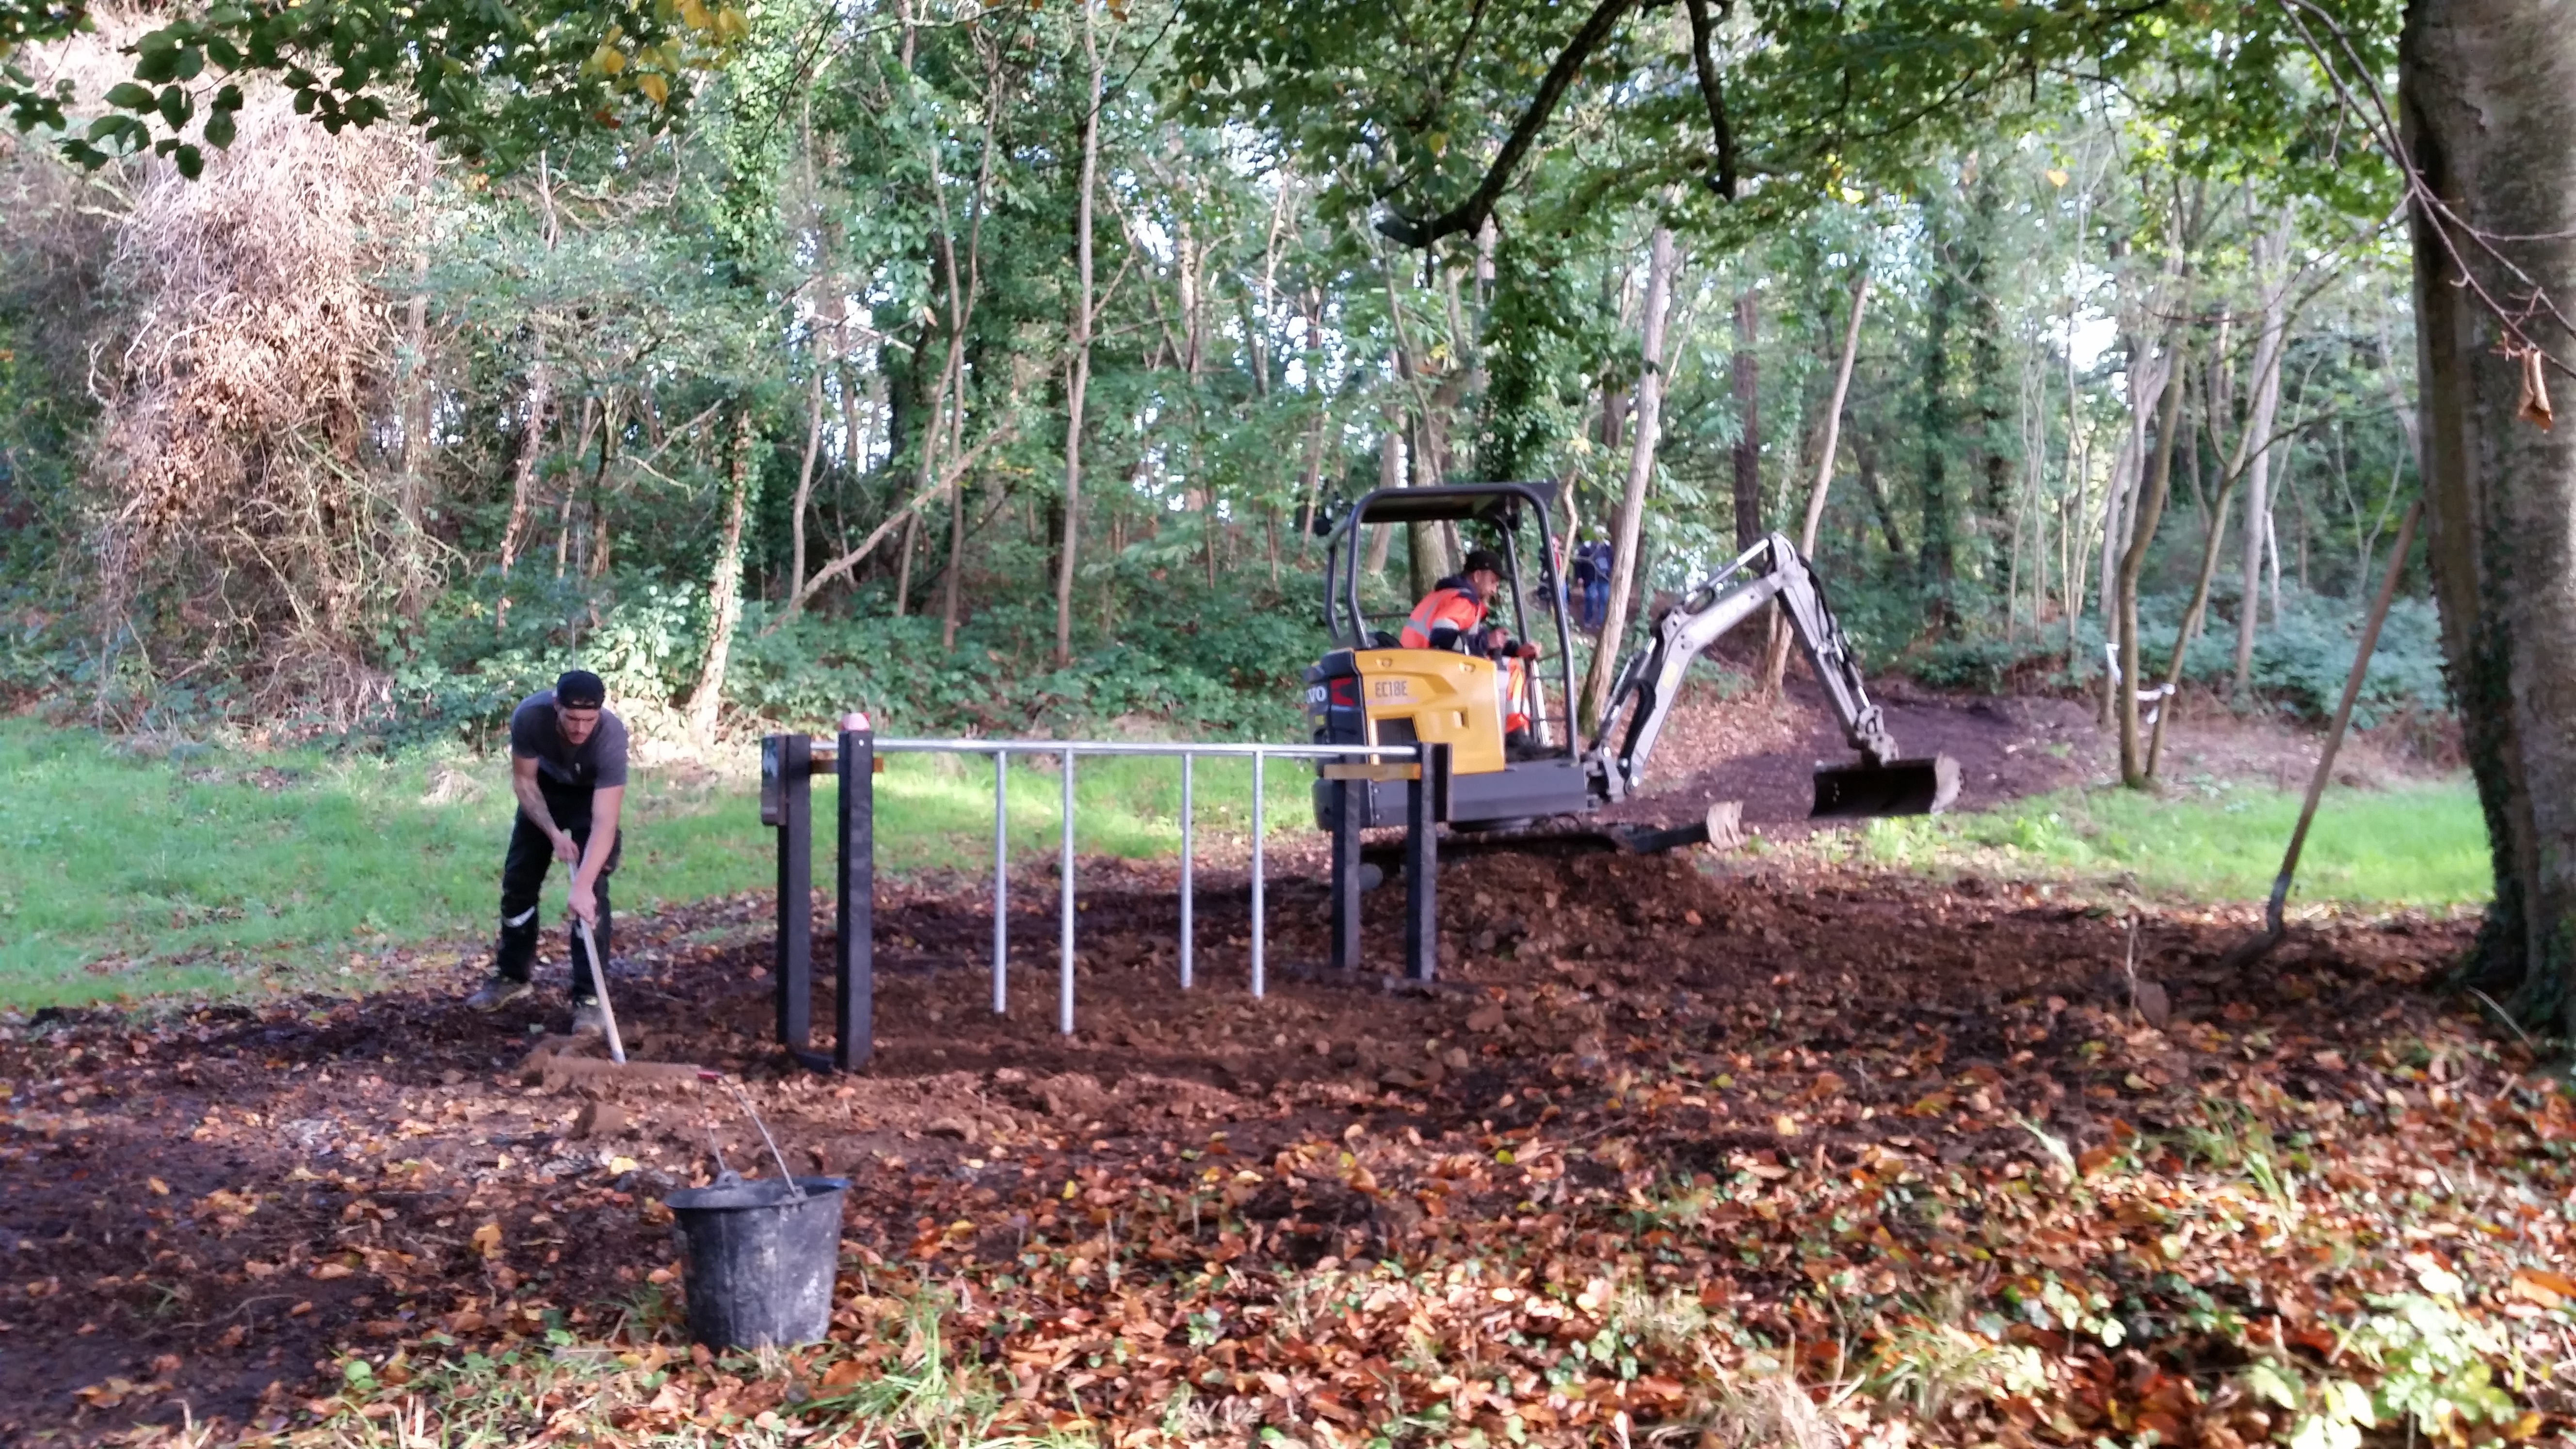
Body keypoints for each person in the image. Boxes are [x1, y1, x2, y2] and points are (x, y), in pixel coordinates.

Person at [465, 670, 628, 1032]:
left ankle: (589, 999)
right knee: (519, 882)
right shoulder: (530, 716)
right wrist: (553, 833)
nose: (581, 729)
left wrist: (582, 885)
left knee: (593, 898)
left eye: (589, 720)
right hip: (544, 793)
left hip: (590, 802)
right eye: (572, 718)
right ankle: (512, 977)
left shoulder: (611, 737)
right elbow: (524, 782)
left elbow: (605, 822)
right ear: (557, 706)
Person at [1400, 548, 1542, 750]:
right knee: (1510, 669)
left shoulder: (1446, 594)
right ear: (1477, 576)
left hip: (1417, 666)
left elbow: (1472, 640)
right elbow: (1443, 639)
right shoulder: (1464, 600)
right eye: (1493, 581)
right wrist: (1488, 644)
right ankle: (1514, 736)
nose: (1494, 590)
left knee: (1503, 661)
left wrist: (1517, 649)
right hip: (1430, 672)